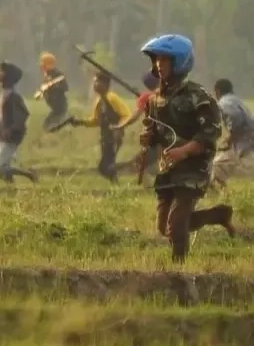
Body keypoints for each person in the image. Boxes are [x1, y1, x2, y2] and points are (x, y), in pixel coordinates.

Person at [137, 34, 235, 263]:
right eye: (157, 60)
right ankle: (217, 215)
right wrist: (147, 139)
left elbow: (210, 133)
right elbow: (155, 134)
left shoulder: (199, 96)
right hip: (168, 168)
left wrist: (184, 151)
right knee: (165, 227)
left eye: (165, 60)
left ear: (179, 62)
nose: (159, 64)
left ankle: (178, 269)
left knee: (177, 222)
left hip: (193, 167)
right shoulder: (154, 100)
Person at [69, 72, 132, 183]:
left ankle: (121, 178)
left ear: (106, 84)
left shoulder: (112, 98)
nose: (95, 85)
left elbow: (126, 114)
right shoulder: (99, 101)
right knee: (106, 166)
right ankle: (116, 184)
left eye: (97, 82)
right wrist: (80, 122)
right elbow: (96, 121)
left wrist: (118, 128)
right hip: (105, 137)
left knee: (105, 166)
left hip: (113, 137)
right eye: (94, 82)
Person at [0, 61, 39, 184]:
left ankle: (29, 175)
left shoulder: (14, 96)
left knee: (0, 166)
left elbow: (23, 115)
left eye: (0, 74)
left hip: (11, 136)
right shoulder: (5, 94)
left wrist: (12, 129)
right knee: (4, 165)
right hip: (4, 135)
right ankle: (10, 186)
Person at [212, 78, 254, 186]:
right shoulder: (236, 100)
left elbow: (235, 117)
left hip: (244, 143)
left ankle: (220, 194)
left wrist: (231, 137)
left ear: (217, 91)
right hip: (248, 142)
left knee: (216, 166)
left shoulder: (224, 102)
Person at [37, 52, 70, 132]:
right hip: (54, 107)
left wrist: (53, 86)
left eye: (44, 65)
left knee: (52, 126)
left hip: (60, 107)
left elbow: (65, 87)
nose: (42, 67)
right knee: (49, 125)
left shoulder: (58, 74)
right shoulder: (47, 76)